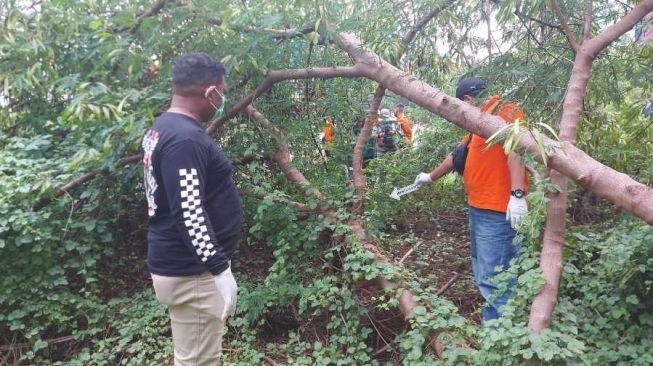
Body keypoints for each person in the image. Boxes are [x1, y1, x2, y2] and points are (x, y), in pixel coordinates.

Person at [141, 52, 242, 365]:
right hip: (192, 273)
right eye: (222, 93)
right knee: (199, 362)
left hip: (182, 267)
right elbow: (189, 211)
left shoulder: (163, 127)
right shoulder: (185, 140)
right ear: (210, 91)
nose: (222, 100)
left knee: (191, 357)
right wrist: (219, 267)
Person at [414, 78, 529, 323]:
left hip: (498, 212)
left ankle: (499, 340)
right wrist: (429, 177)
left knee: (496, 278)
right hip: (479, 208)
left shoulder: (505, 110)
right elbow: (458, 156)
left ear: (467, 100)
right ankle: (497, 330)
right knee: (484, 272)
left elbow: (517, 149)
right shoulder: (479, 122)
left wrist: (517, 194)